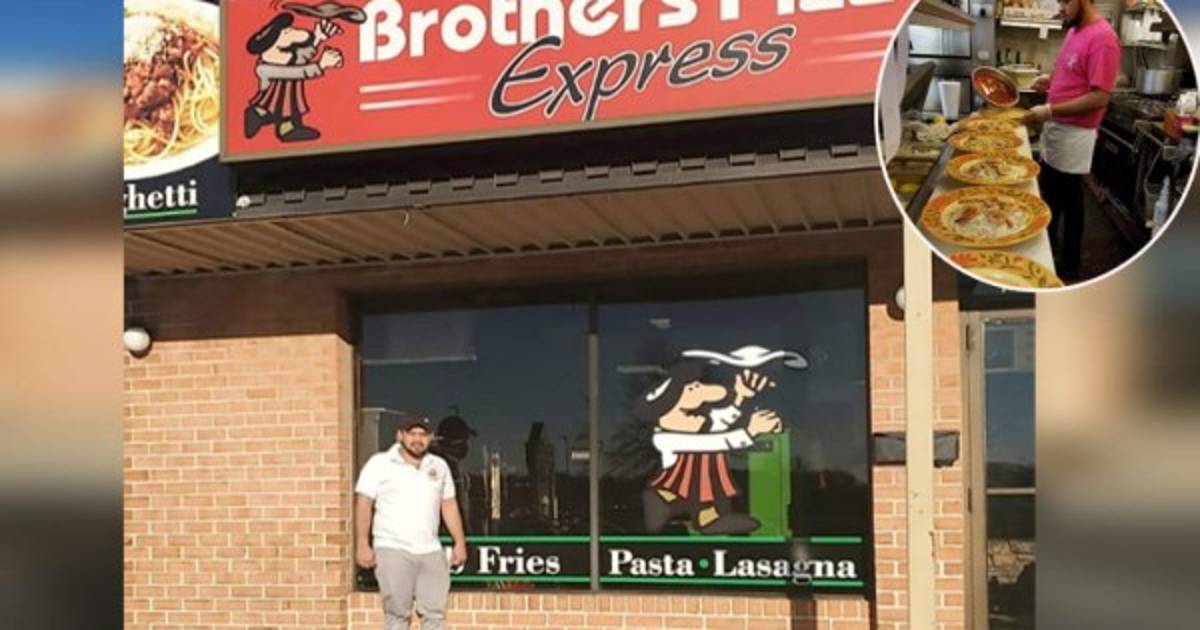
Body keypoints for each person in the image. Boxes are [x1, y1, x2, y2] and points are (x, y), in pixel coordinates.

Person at [1022, 0, 1120, 279]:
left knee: (1070, 198)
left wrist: (1049, 110)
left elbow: (1099, 97)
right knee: (1052, 194)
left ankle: (1069, 263)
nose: (1061, 7)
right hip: (1057, 129)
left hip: (1075, 134)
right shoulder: (1074, 30)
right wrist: (1050, 82)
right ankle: (1049, 249)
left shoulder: (1104, 39)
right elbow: (1071, 74)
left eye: (1065, 1)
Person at [355, 415, 468, 630]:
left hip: (431, 550)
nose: (417, 439)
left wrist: (460, 542)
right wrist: (362, 543)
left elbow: (449, 505)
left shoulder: (439, 466)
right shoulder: (379, 463)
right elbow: (364, 503)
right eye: (412, 434)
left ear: (430, 438)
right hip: (392, 548)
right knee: (397, 616)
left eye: (423, 434)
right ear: (400, 435)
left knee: (435, 616)